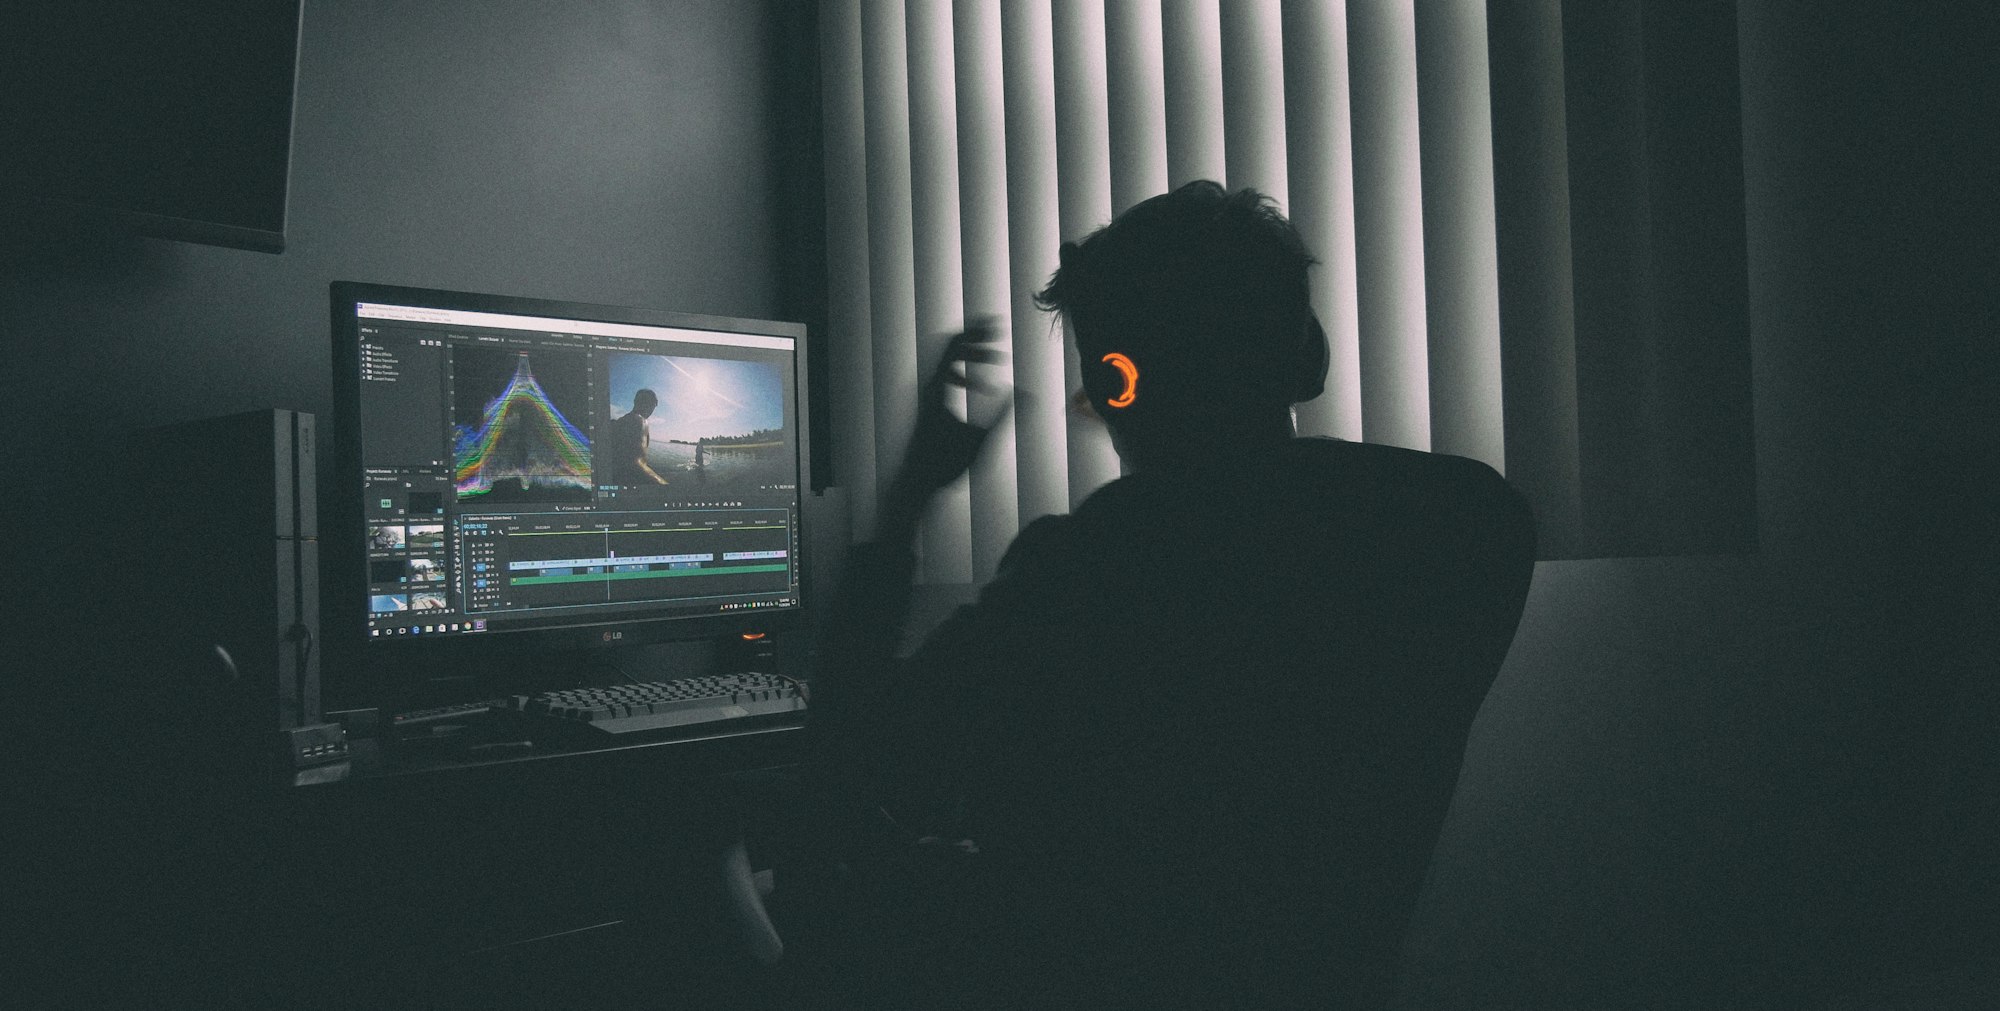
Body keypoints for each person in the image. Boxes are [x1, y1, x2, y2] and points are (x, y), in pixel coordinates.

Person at [784, 181, 1536, 1008]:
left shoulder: (1094, 565)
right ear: (1309, 357)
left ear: (1114, 387)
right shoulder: (1469, 524)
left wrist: (906, 500)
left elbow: (856, 758)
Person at [604, 388, 666, 486]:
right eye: (652, 404)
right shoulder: (639, 420)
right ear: (652, 405)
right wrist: (665, 486)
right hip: (627, 483)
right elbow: (636, 464)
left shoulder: (622, 421)